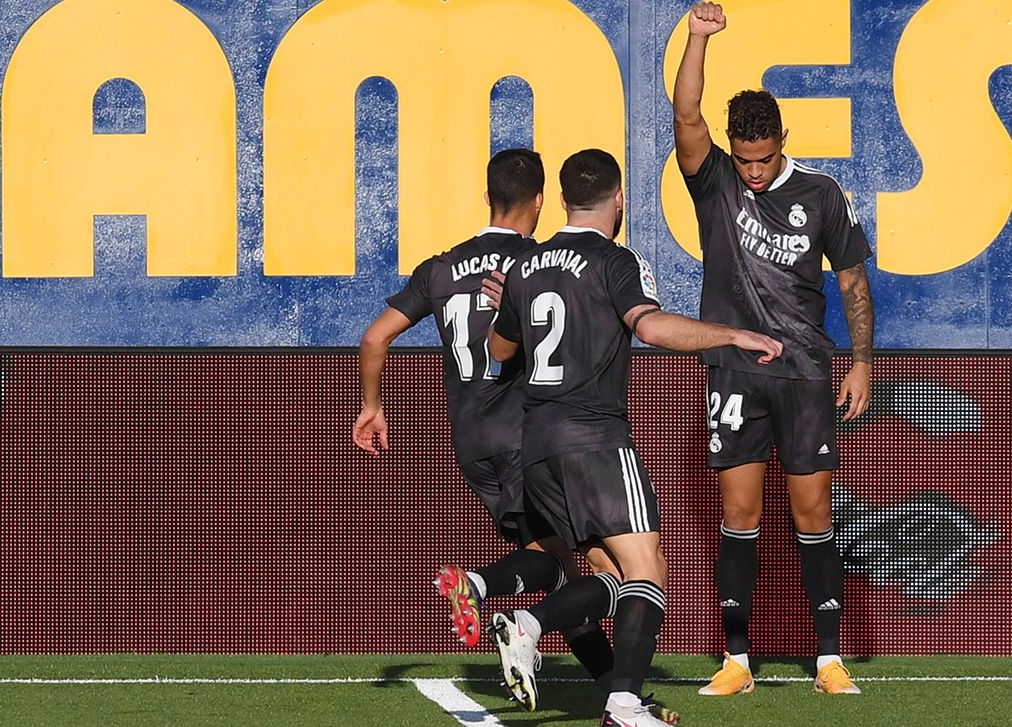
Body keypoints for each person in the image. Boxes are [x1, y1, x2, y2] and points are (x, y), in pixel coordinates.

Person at [486, 149, 783, 726]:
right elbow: (649, 326)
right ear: (618, 199)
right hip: (594, 437)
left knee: (611, 577)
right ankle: (620, 702)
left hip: (537, 445)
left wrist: (513, 306)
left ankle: (537, 629)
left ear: (564, 201)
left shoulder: (525, 266)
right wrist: (734, 336)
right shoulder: (617, 260)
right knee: (649, 569)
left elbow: (501, 350)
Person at [352, 148, 615, 700]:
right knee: (604, 564)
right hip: (530, 438)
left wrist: (372, 407)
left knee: (552, 565)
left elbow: (375, 337)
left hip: (472, 442)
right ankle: (480, 587)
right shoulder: (541, 264)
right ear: (542, 201)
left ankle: (611, 687)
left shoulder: (440, 267)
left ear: (487, 198)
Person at [672, 1, 876, 697]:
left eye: (762, 158)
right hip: (732, 372)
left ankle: (827, 658)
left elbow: (852, 281)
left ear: (782, 140)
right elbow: (688, 116)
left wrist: (863, 361)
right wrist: (697, 38)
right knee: (739, 514)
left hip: (804, 374)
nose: (753, 172)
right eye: (744, 158)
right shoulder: (718, 181)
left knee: (814, 512)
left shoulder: (821, 195)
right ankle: (737, 659)